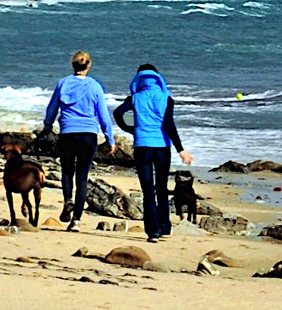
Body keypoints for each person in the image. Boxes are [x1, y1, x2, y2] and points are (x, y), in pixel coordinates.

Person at [40, 50, 112, 230]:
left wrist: (47, 126)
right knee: (82, 176)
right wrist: (109, 137)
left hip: (67, 133)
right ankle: (76, 221)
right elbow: (103, 115)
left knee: (66, 171)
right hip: (88, 134)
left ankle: (68, 200)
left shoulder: (63, 84)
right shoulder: (95, 86)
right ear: (88, 66)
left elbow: (52, 109)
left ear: (73, 65)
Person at [124, 63, 192, 242]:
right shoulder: (166, 98)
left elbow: (117, 113)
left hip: (142, 147)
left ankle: (153, 231)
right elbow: (169, 124)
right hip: (162, 147)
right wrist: (181, 150)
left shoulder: (135, 98)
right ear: (158, 79)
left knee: (148, 190)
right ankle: (165, 227)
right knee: (162, 188)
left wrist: (131, 129)